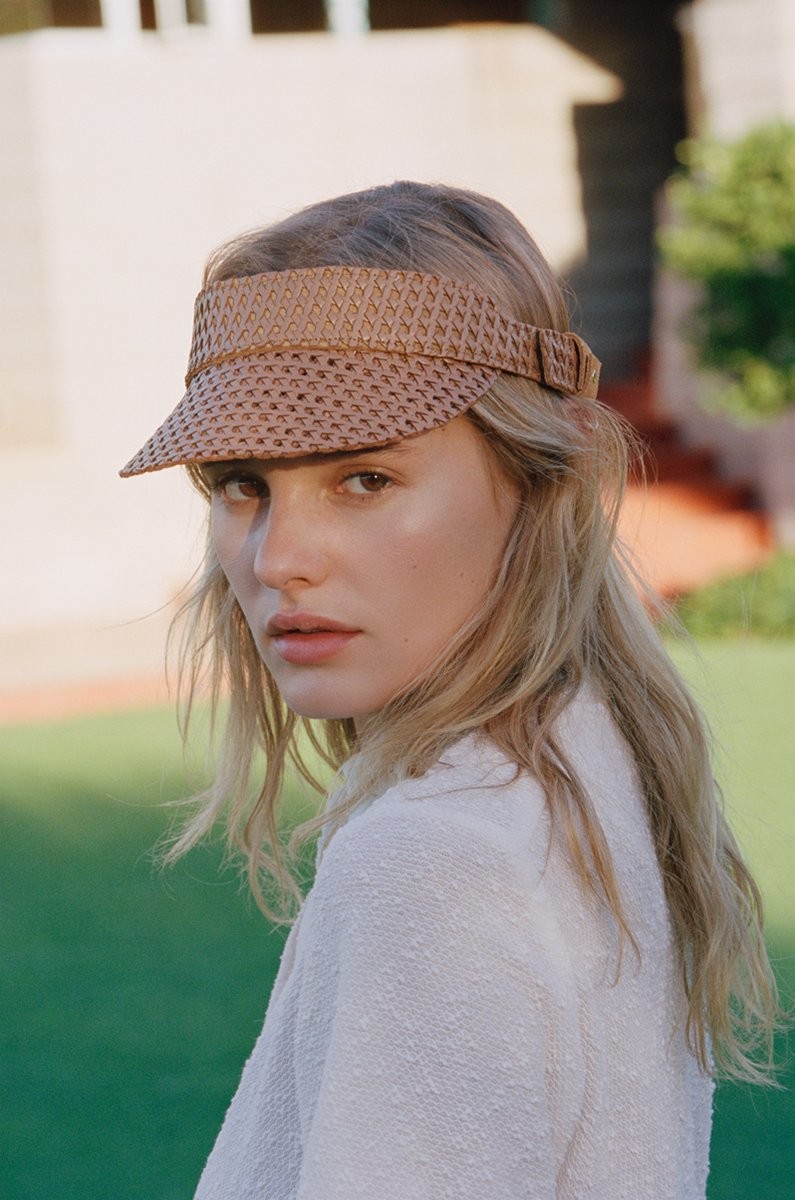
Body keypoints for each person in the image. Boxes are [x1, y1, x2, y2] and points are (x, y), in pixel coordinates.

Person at [121, 181, 779, 1199]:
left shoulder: (435, 861)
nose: (279, 558)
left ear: (543, 478)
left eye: (364, 479)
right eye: (242, 484)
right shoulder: (580, 757)